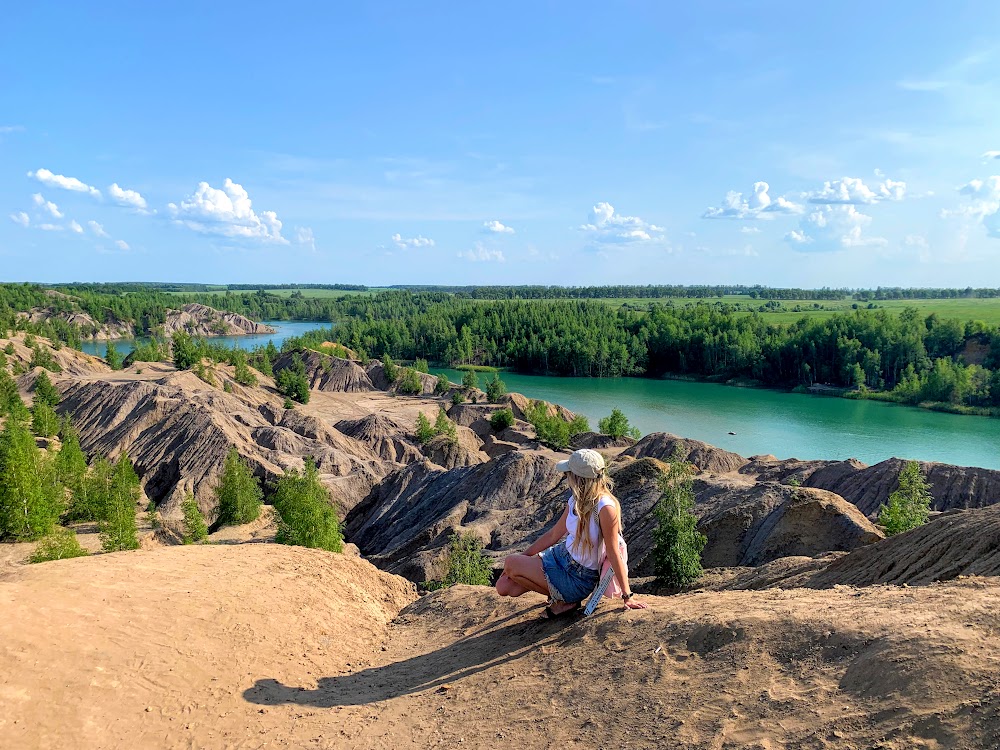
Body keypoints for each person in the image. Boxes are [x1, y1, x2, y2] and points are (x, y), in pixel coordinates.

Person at [496, 448, 647, 617]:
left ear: (577, 478)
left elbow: (613, 552)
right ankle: (558, 597)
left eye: (568, 473)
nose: (566, 477)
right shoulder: (576, 499)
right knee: (504, 586)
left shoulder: (605, 507)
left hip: (578, 577)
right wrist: (524, 557)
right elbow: (554, 535)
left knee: (510, 563)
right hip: (560, 557)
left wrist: (628, 596)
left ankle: (565, 601)